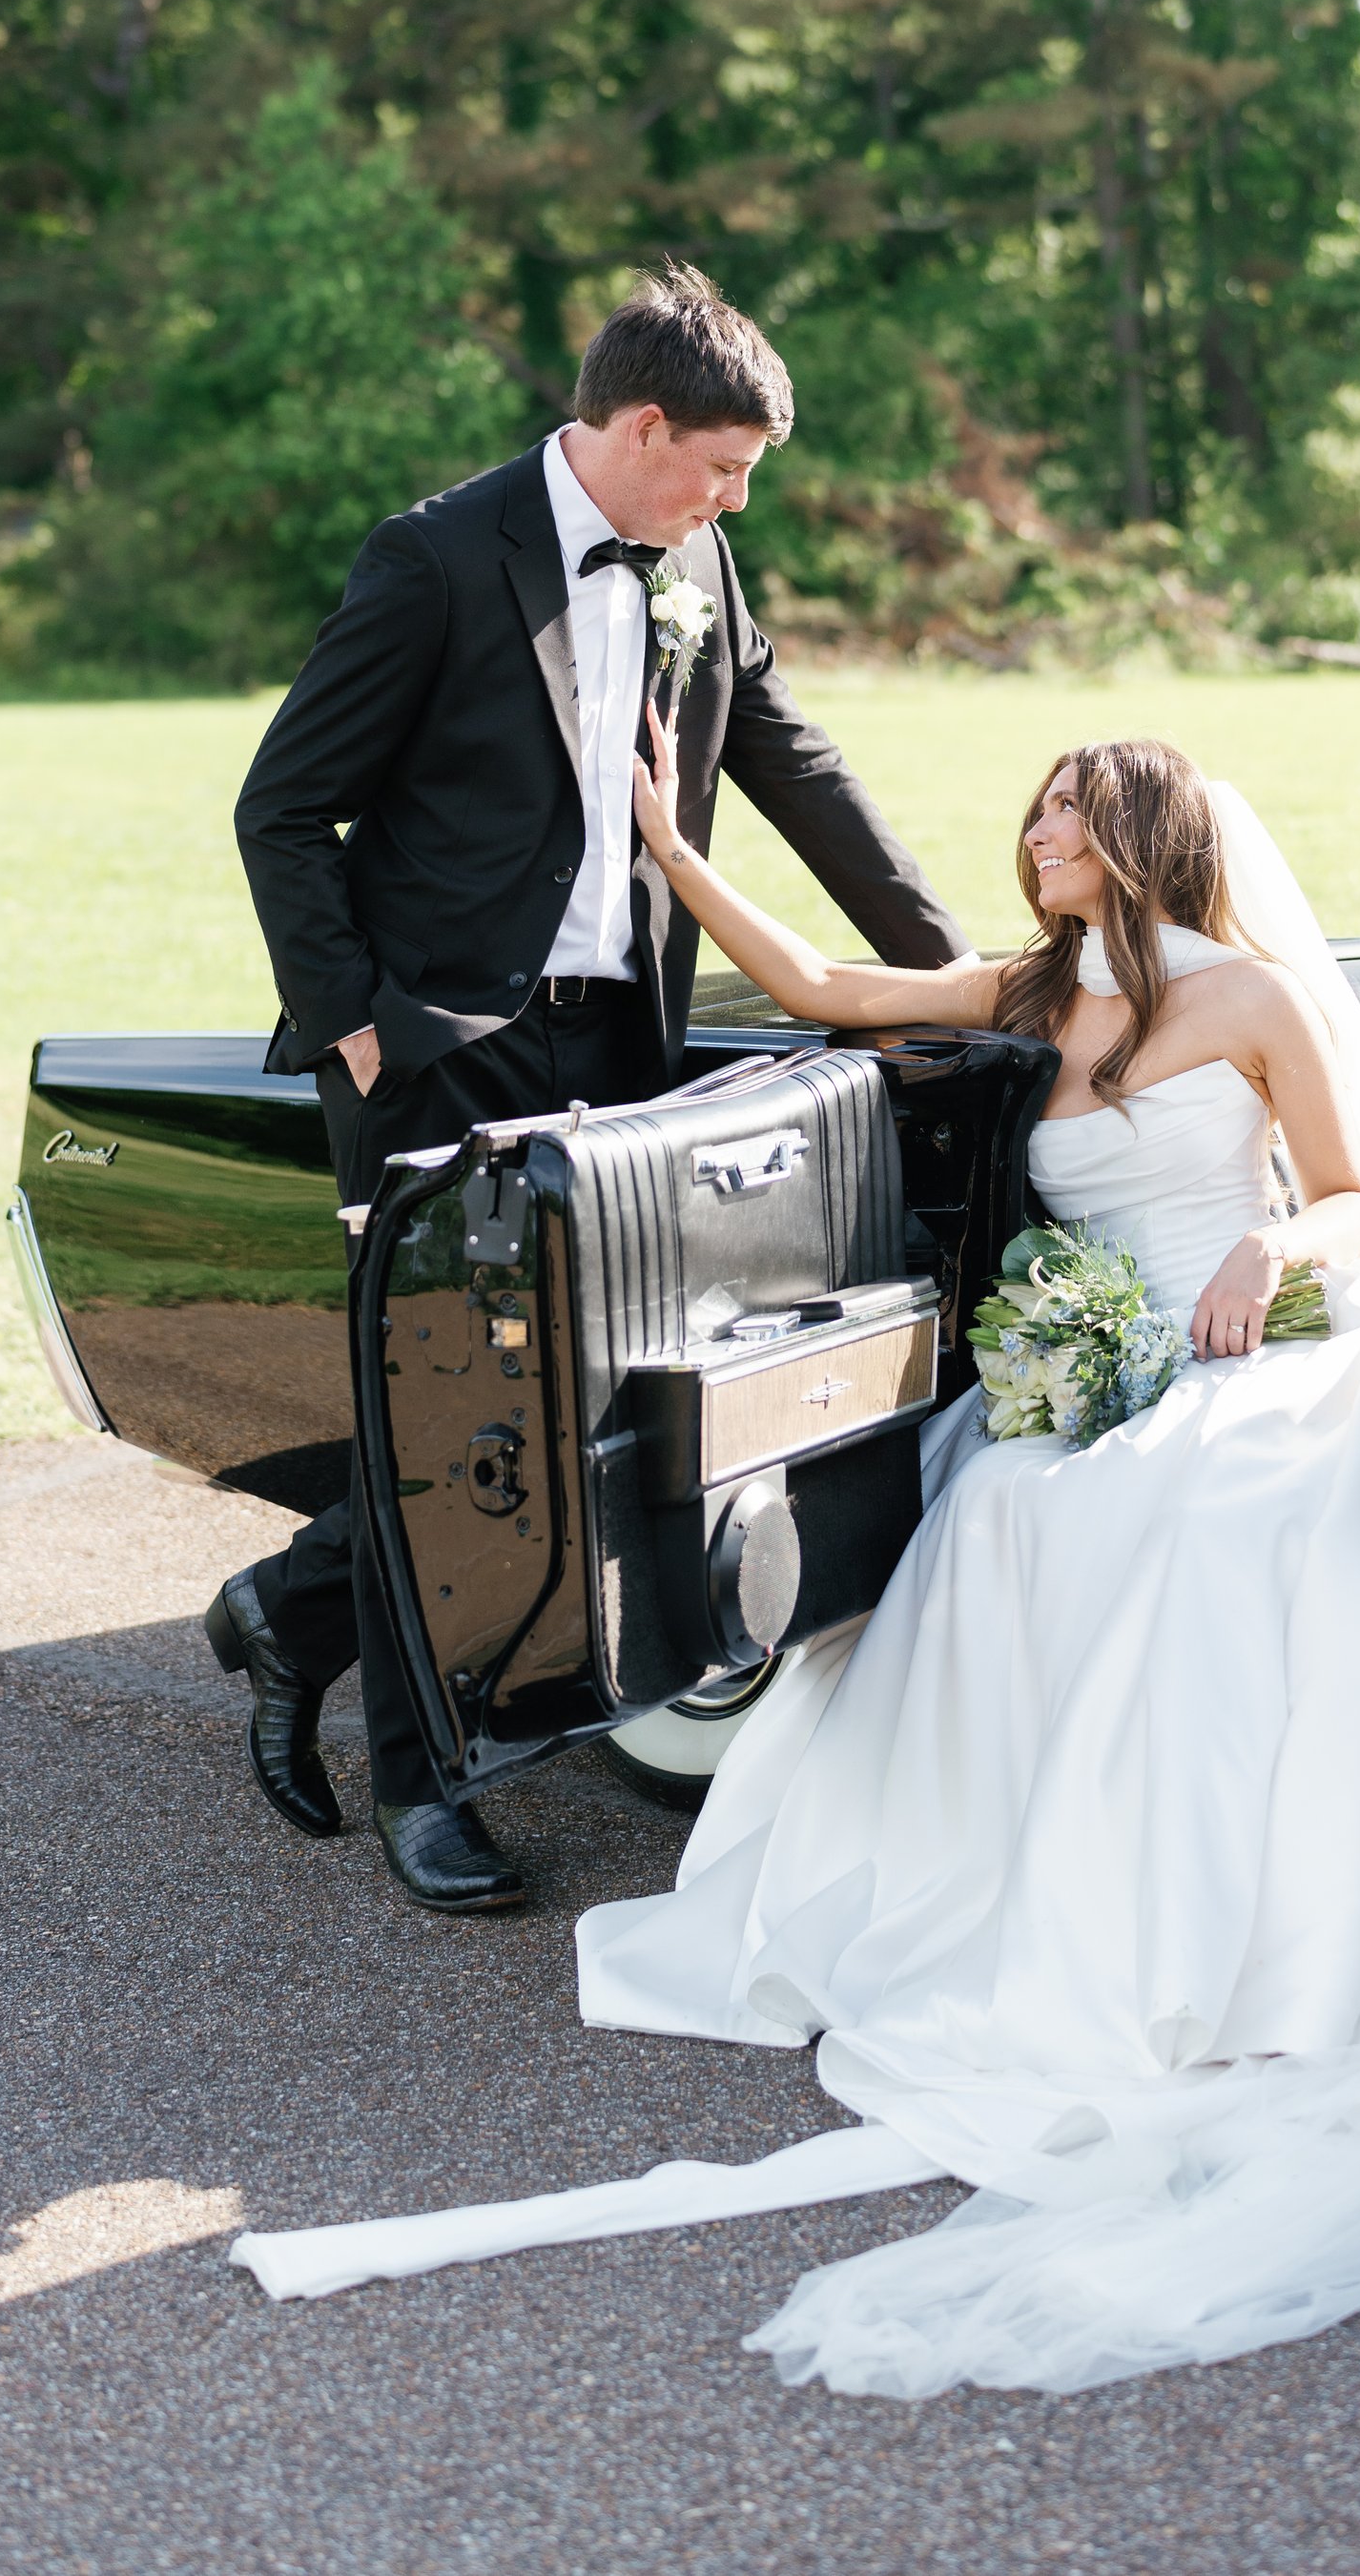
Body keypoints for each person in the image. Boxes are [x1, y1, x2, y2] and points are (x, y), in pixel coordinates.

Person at [233, 732, 1360, 2394]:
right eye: (1039, 808)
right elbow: (826, 987)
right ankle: (999, 1904)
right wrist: (672, 849)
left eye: (1067, 809)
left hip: (1250, 1350)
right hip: (1096, 1368)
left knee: (1179, 1509)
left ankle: (1197, 1948)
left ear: (1141, 835)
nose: (1036, 828)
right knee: (995, 1508)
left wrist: (1265, 1240)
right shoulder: (1032, 992)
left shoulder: (1256, 1001)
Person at [215, 263, 967, 1916]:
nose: (732, 498)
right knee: (452, 1417)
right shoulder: (432, 558)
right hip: (436, 1052)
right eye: (720, 466)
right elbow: (285, 806)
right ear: (638, 427)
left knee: (583, 1412)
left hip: (620, 1040)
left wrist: (956, 973)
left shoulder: (698, 555)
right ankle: (430, 1788)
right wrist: (353, 1026)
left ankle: (305, 1606)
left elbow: (791, 761)